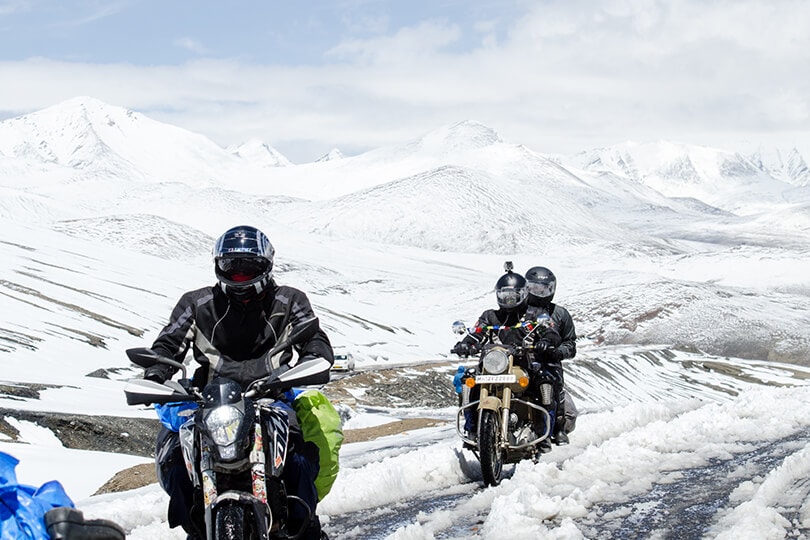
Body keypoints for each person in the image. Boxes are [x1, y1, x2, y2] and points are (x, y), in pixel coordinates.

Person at [141, 225, 334, 540]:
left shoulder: (290, 300)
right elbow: (168, 343)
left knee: (298, 452)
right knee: (176, 451)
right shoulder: (196, 304)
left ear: (266, 265)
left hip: (271, 397)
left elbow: (313, 338)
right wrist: (155, 372)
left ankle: (304, 524)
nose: (240, 274)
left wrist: (312, 359)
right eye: (233, 266)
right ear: (219, 265)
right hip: (210, 401)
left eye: (248, 267)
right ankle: (195, 524)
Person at [451, 264, 563, 453]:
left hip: (523, 365)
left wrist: (546, 341)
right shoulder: (490, 316)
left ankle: (545, 434)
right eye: (504, 295)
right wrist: (465, 344)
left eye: (514, 295)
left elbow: (550, 331)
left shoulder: (535, 315)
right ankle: (471, 429)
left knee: (545, 383)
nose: (509, 299)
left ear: (524, 294)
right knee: (467, 381)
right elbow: (476, 332)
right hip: (493, 367)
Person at [525, 266, 577, 445]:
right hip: (520, 361)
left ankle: (557, 426)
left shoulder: (560, 314)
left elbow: (570, 344)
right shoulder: (518, 311)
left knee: (552, 384)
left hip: (547, 363)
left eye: (545, 288)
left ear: (552, 289)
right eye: (534, 288)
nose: (540, 293)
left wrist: (556, 352)